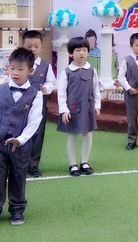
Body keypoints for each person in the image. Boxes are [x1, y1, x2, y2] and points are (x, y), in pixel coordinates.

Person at [0, 47, 43, 228]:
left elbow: (34, 121)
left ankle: (17, 210)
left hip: (21, 145)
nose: (15, 73)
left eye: (20, 69)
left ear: (30, 71)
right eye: (12, 68)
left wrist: (21, 139)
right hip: (0, 142)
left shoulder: (36, 94)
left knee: (18, 177)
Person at [58, 37, 101, 175]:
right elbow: (61, 93)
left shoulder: (92, 71)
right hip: (72, 109)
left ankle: (84, 162)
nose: (81, 53)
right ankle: (73, 164)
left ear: (88, 52)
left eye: (84, 50)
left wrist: (97, 105)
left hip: (88, 108)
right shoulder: (66, 72)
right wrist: (64, 110)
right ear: (71, 53)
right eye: (77, 50)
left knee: (88, 134)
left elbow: (96, 89)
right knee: (72, 135)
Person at [22, 30, 56, 178]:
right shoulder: (18, 64)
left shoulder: (45, 66)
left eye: (36, 46)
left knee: (37, 135)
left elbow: (51, 82)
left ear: (41, 48)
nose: (33, 49)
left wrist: (46, 88)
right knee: (20, 133)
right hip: (20, 107)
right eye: (29, 46)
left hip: (39, 107)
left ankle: (33, 165)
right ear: (22, 47)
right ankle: (19, 164)